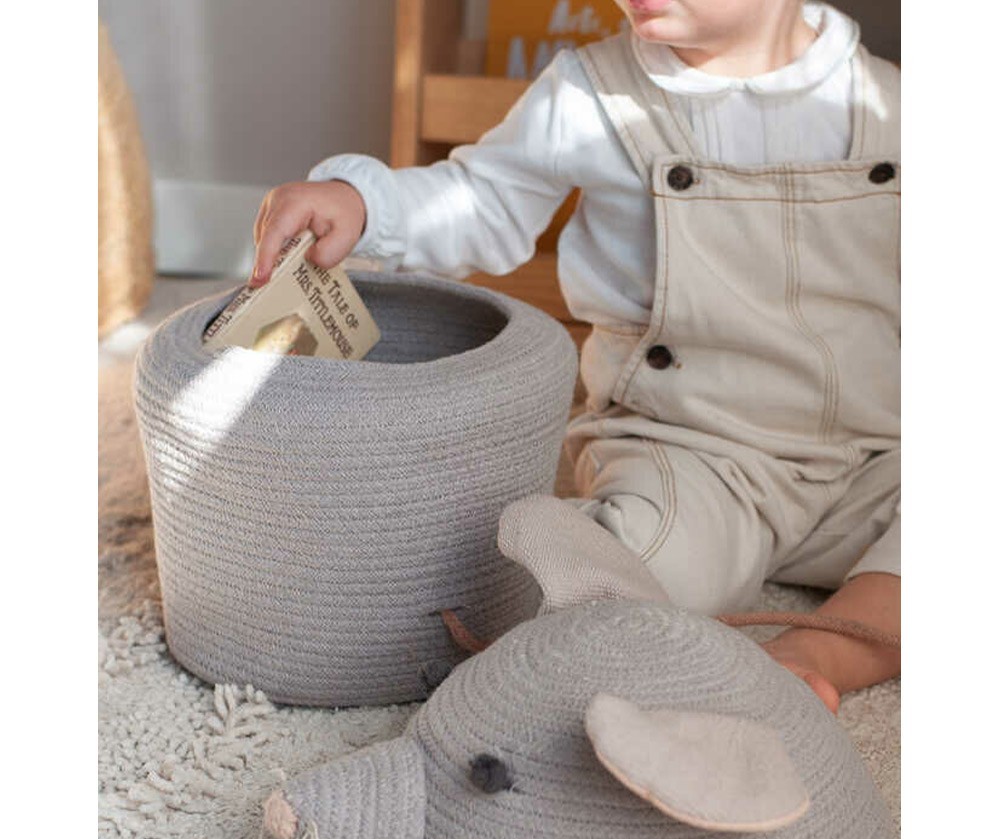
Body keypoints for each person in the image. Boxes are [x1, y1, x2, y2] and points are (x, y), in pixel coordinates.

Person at [249, 1, 900, 713]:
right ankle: (544, 564)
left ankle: (819, 652)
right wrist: (364, 203)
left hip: (874, 453)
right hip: (694, 450)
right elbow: (483, 199)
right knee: (623, 583)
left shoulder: (895, 106)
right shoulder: (590, 94)